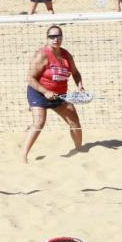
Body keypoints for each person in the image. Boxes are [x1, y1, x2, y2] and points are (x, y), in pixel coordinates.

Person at [21, 25, 85, 163]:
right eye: (52, 36)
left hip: (59, 95)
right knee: (39, 122)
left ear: (62, 37)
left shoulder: (66, 55)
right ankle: (23, 156)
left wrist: (80, 86)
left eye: (58, 36)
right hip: (38, 92)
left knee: (75, 123)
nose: (55, 39)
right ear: (47, 38)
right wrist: (45, 92)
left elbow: (75, 73)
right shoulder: (42, 55)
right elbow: (30, 79)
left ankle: (80, 150)